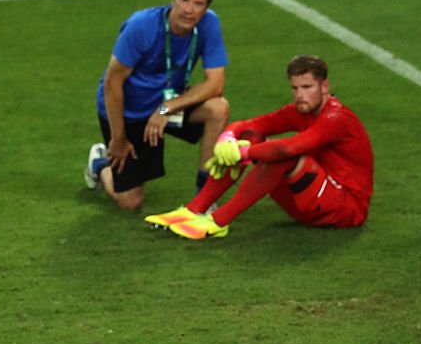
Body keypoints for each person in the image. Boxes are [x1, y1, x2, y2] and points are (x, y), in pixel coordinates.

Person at [145, 54, 373, 239]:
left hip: (344, 209)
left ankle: (218, 222)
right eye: (295, 88)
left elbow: (288, 149)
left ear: (325, 86)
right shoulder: (300, 110)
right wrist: (228, 138)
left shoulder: (335, 118)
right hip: (309, 201)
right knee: (249, 136)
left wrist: (242, 153)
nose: (299, 95)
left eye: (307, 87)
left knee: (281, 154)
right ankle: (194, 209)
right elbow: (249, 125)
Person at [84, 0, 230, 211]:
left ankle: (204, 199)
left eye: (198, 3)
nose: (189, 10)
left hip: (166, 105)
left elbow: (216, 83)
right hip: (130, 111)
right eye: (184, 0)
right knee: (130, 201)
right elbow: (112, 82)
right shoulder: (141, 26)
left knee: (218, 108)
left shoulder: (208, 23)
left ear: (205, 8)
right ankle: (100, 163)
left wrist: (166, 108)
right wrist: (118, 139)